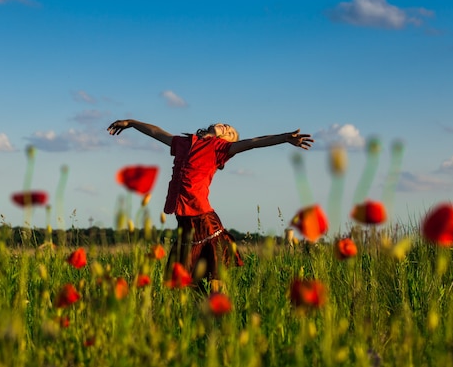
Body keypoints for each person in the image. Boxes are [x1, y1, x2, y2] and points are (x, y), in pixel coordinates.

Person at [107, 119, 314, 291]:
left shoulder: (220, 149)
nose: (227, 127)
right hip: (184, 224)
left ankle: (221, 321)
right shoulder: (183, 142)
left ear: (227, 142)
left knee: (215, 283)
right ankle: (201, 324)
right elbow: (155, 131)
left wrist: (285, 138)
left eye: (231, 132)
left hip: (205, 222)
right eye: (226, 125)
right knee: (185, 284)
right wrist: (131, 123)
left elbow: (254, 142)